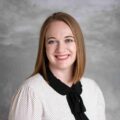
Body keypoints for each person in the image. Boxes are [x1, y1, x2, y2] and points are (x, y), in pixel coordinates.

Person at [8, 12, 106, 120]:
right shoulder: (30, 91)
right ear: (44, 47)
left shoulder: (93, 89)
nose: (60, 49)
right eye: (52, 41)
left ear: (78, 45)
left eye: (68, 40)